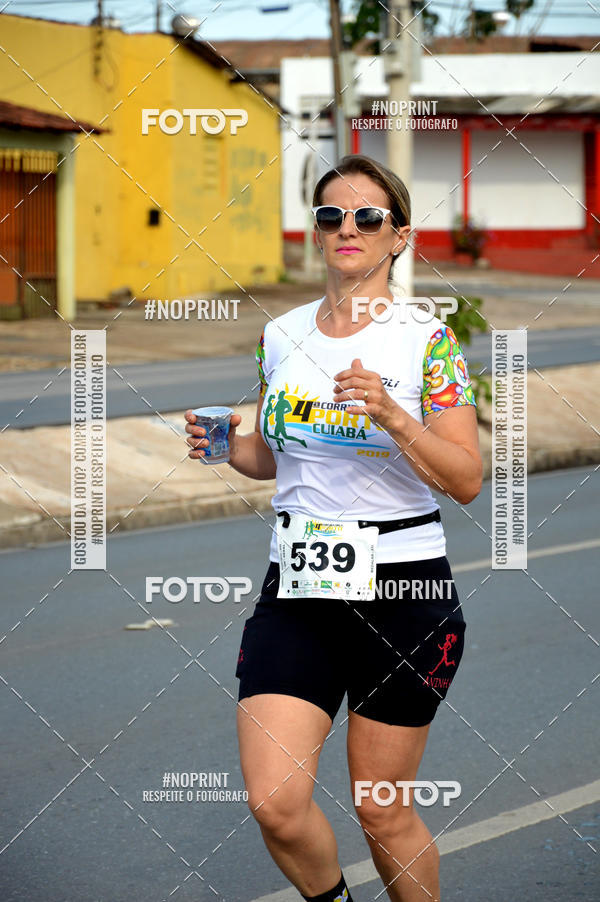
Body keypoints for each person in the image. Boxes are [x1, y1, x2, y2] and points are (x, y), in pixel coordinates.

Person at [185, 154, 482, 902]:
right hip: (298, 587)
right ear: (316, 233)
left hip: (404, 593)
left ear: (399, 237)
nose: (347, 228)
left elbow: (465, 479)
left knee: (381, 811)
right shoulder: (281, 335)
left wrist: (391, 414)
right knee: (275, 803)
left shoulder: (427, 341)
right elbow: (272, 458)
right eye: (330, 216)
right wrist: (226, 446)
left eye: (367, 217)